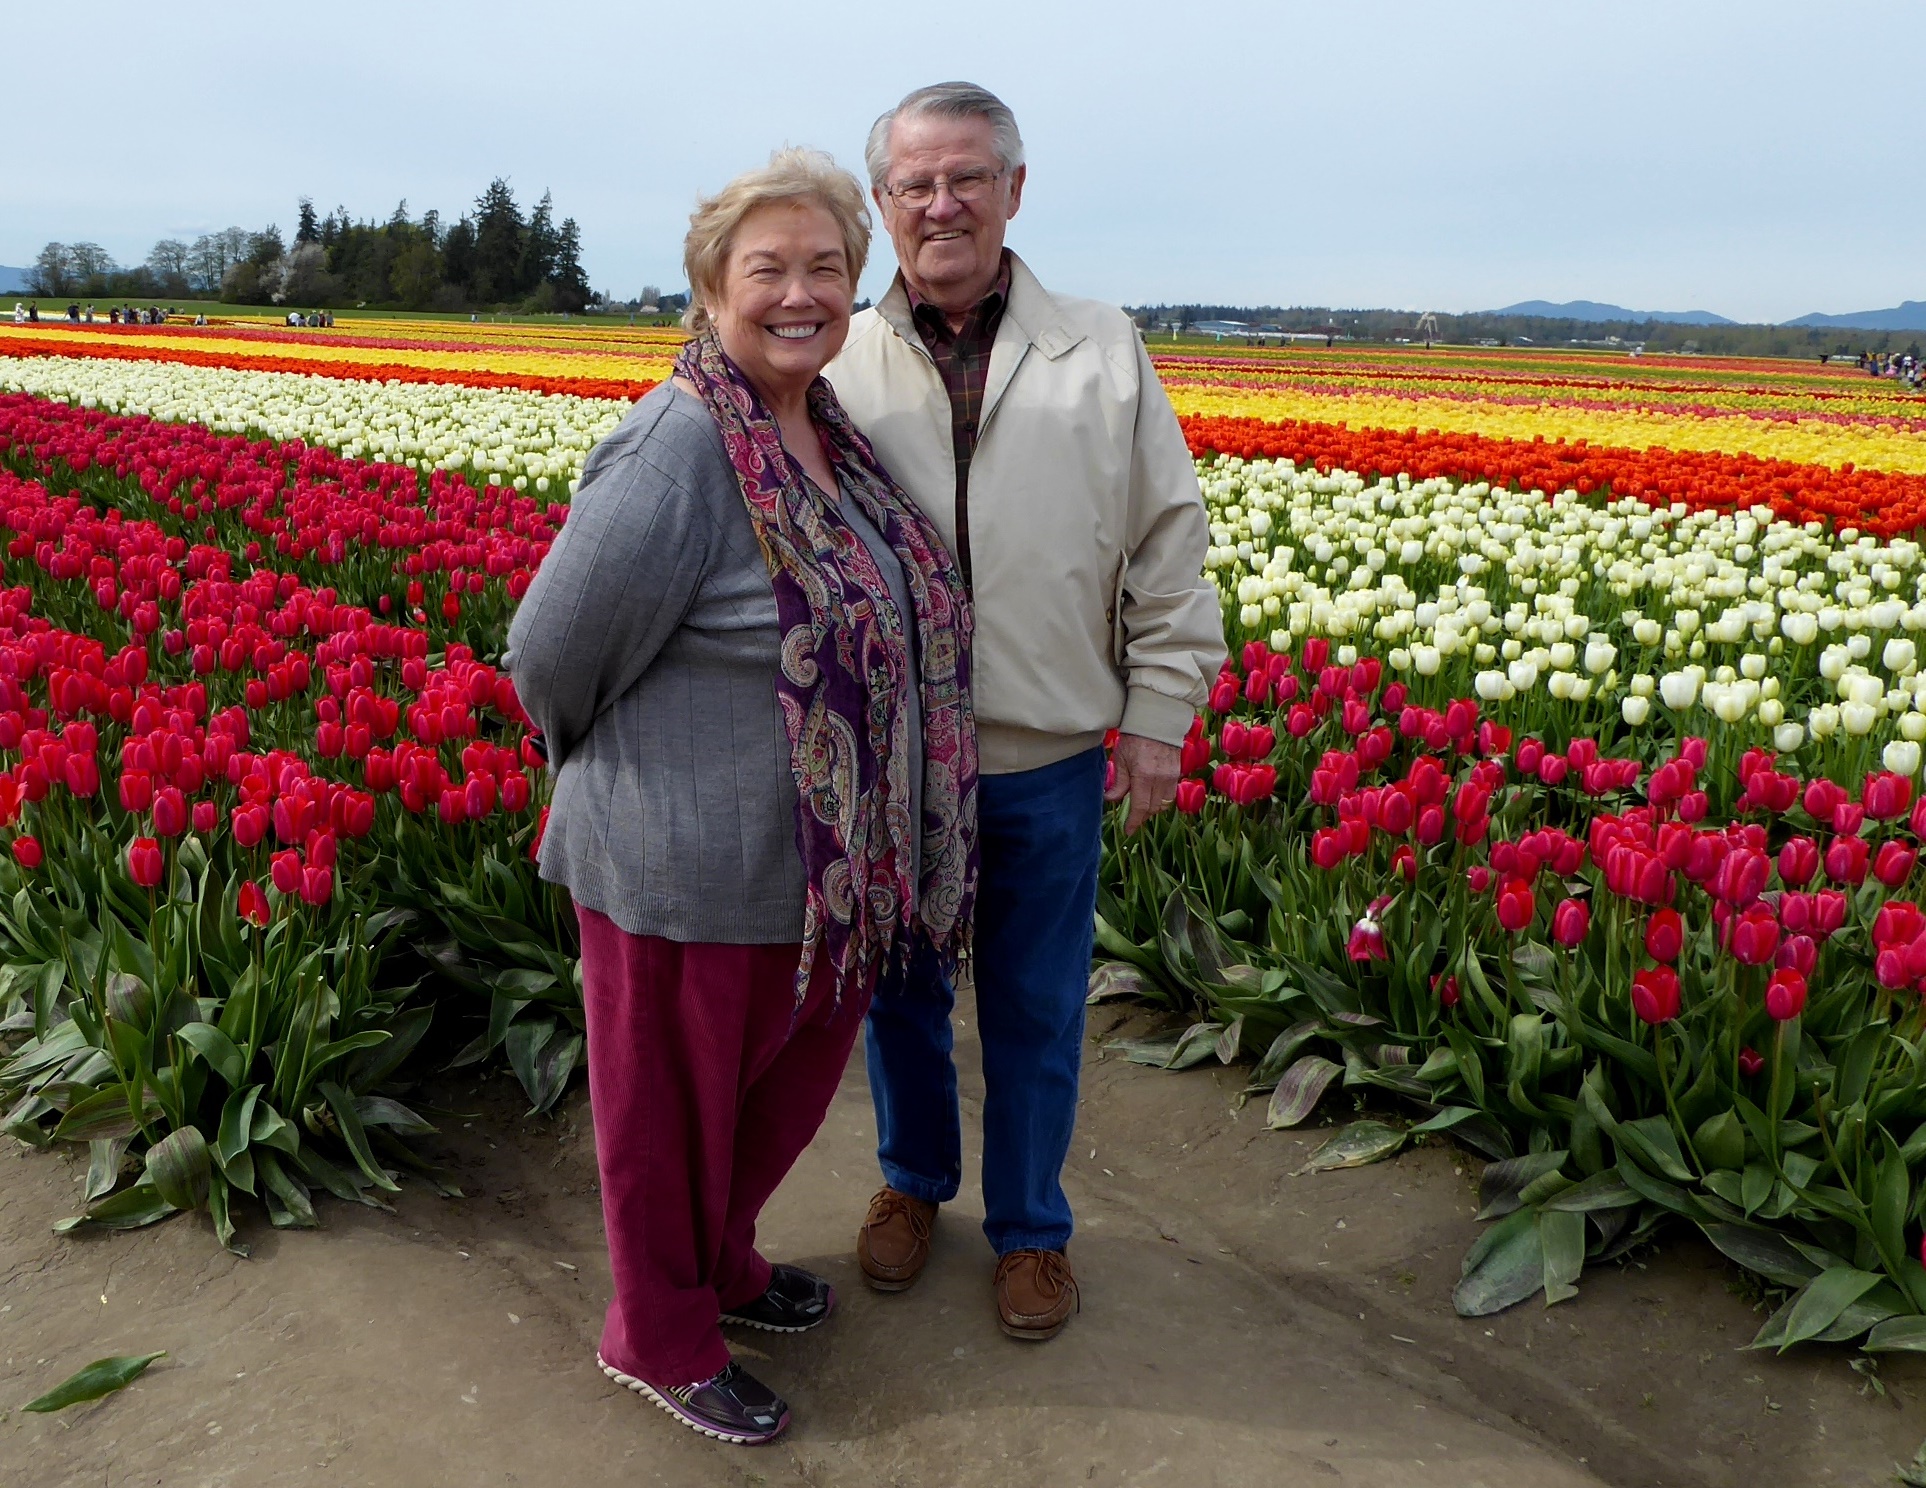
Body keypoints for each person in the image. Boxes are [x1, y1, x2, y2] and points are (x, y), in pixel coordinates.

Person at [506, 147, 977, 1446]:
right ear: (711, 288)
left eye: (826, 266)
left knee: (765, 1098)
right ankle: (653, 1333)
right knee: (666, 1115)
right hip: (681, 867)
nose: (800, 292)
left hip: (821, 879)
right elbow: (549, 655)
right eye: (767, 267)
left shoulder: (828, 435)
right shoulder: (675, 446)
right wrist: (643, 779)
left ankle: (722, 1267)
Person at [825, 82, 1223, 1342]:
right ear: (882, 204)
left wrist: (1160, 708)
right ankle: (912, 1181)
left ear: (1013, 188)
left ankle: (1033, 1228)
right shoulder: (832, 347)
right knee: (898, 992)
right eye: (914, 185)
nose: (940, 204)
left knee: (1037, 1003)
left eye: (966, 179)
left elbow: (1168, 538)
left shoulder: (1101, 347)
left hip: (1044, 747)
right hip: (890, 755)